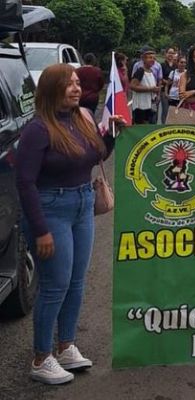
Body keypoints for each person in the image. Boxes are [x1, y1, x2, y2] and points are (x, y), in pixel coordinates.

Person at [15, 63, 124, 384]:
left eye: (78, 83)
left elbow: (96, 156)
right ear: (51, 90)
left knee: (76, 282)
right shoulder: (38, 130)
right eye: (68, 85)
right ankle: (41, 357)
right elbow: (25, 183)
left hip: (82, 203)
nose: (76, 89)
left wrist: (112, 136)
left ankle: (65, 346)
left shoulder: (81, 119)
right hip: (52, 208)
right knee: (54, 286)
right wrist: (41, 229)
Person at [130, 48, 161, 124]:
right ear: (143, 59)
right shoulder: (140, 71)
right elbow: (133, 86)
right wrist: (151, 89)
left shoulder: (151, 71)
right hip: (140, 107)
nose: (152, 60)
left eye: (154, 58)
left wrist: (156, 94)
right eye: (150, 58)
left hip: (149, 105)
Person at [160, 47, 178, 123]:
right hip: (165, 91)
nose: (171, 55)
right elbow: (160, 78)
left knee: (174, 111)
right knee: (165, 110)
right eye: (169, 53)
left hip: (175, 92)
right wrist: (168, 82)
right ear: (166, 54)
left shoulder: (176, 65)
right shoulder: (162, 65)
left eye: (172, 53)